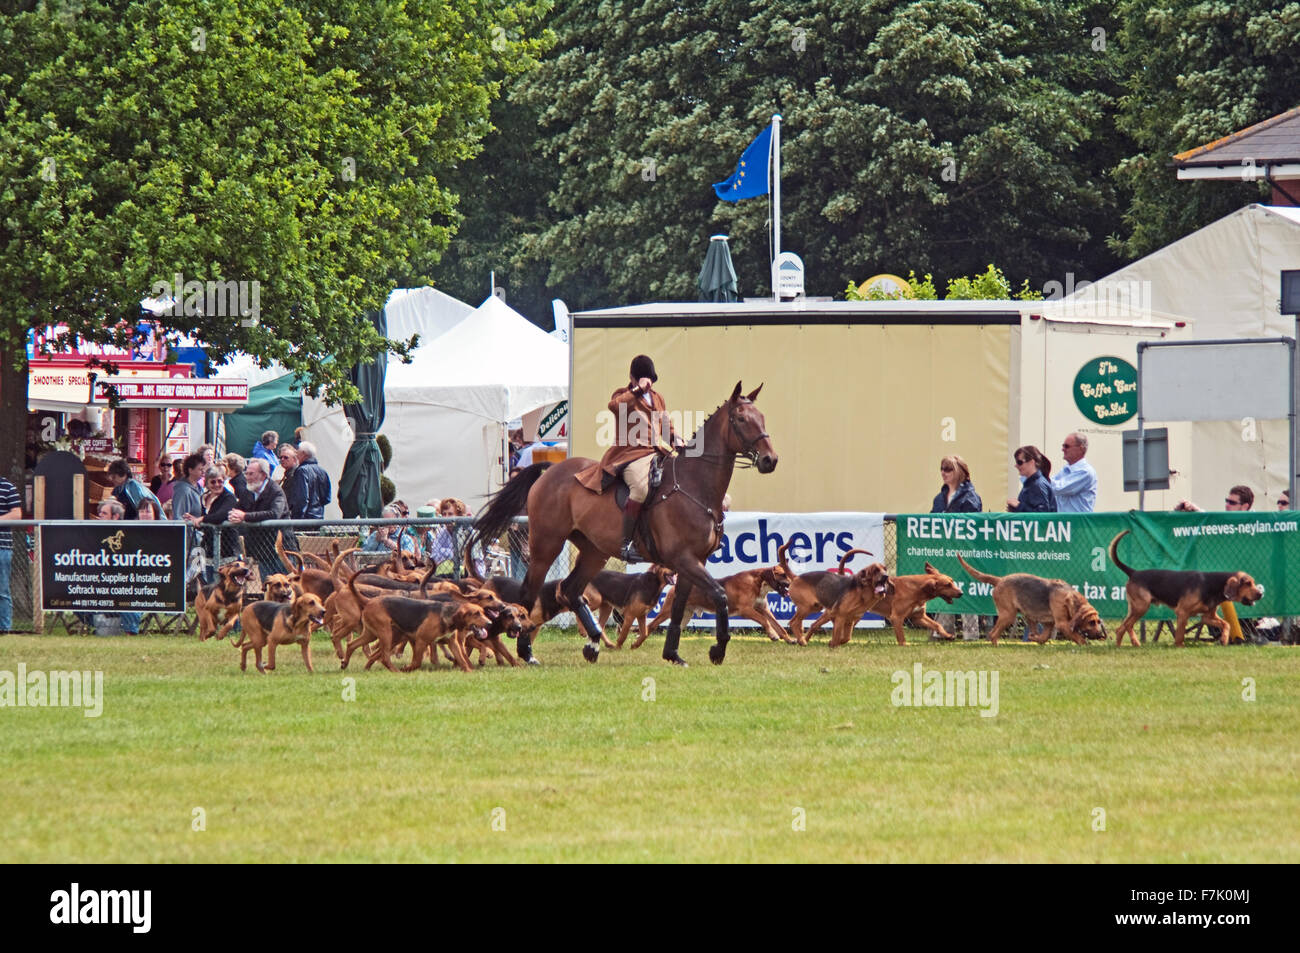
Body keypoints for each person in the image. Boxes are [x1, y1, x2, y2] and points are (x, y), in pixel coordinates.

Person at [576, 354, 682, 562]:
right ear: (633, 378)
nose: (648, 383)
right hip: (631, 454)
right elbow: (615, 406)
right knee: (640, 489)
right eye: (643, 379)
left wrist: (676, 438)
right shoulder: (624, 394)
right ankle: (626, 543)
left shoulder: (658, 397)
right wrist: (637, 390)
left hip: (657, 452)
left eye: (649, 379)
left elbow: (666, 425)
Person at [930, 455, 982, 640]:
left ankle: (971, 635)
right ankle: (943, 632)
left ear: (960, 472)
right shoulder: (939, 498)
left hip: (964, 554)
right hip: (944, 553)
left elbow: (972, 526)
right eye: (942, 468)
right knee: (944, 591)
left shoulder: (971, 497)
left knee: (965, 592)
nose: (943, 472)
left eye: (948, 469)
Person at [230, 457, 292, 580]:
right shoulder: (248, 492)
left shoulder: (275, 491)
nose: (247, 477)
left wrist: (245, 516)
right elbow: (237, 509)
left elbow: (275, 513)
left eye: (251, 474)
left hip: (281, 549)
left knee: (286, 587)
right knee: (268, 587)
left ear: (263, 475)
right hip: (262, 550)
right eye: (246, 473)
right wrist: (234, 515)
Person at [184, 466, 240, 573]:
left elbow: (221, 515)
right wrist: (196, 520)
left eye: (220, 481)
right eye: (213, 482)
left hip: (227, 550)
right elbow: (204, 520)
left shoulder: (229, 497)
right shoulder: (204, 497)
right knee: (210, 586)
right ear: (207, 483)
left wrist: (202, 519)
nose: (217, 485)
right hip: (209, 549)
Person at [1052, 432, 1097, 512]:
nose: (1063, 449)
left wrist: (1035, 475)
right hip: (1065, 522)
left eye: (1066, 446)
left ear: (1081, 448)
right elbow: (1050, 486)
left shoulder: (1085, 471)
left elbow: (1059, 488)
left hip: (1079, 523)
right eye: (1063, 446)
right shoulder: (1066, 469)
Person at [287, 440, 331, 519]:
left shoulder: (301, 471)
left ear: (303, 454)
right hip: (319, 517)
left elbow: (302, 498)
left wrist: (297, 518)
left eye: (298, 452)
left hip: (304, 518)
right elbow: (327, 498)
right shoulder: (322, 471)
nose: (296, 455)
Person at [0, 474, 21, 634]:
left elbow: (16, 514)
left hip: (2, 546)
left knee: (2, 590)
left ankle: (5, 628)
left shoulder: (8, 487)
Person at [1006, 446, 1056, 512]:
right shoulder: (1031, 484)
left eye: (1019, 462)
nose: (1016, 466)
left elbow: (1042, 515)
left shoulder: (1038, 485)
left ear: (1032, 462)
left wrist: (1018, 506)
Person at [1176, 485, 1254, 512]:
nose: (1227, 505)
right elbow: (1210, 520)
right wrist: (1194, 509)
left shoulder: (1256, 525)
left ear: (1245, 507)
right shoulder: (1224, 523)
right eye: (1227, 501)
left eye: (1232, 503)